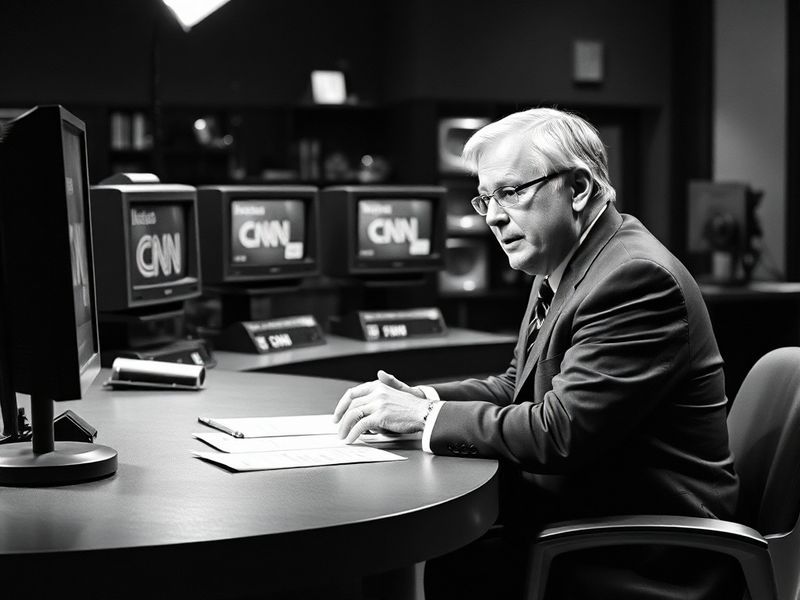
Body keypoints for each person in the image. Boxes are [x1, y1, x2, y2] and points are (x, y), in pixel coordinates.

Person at [333, 107, 741, 599]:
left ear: (580, 188)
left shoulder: (635, 278)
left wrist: (425, 418)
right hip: (591, 513)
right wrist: (418, 398)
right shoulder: (565, 260)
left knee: (462, 557)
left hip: (646, 553)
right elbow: (517, 384)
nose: (496, 216)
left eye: (510, 192)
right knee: (460, 550)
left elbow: (559, 433)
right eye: (486, 198)